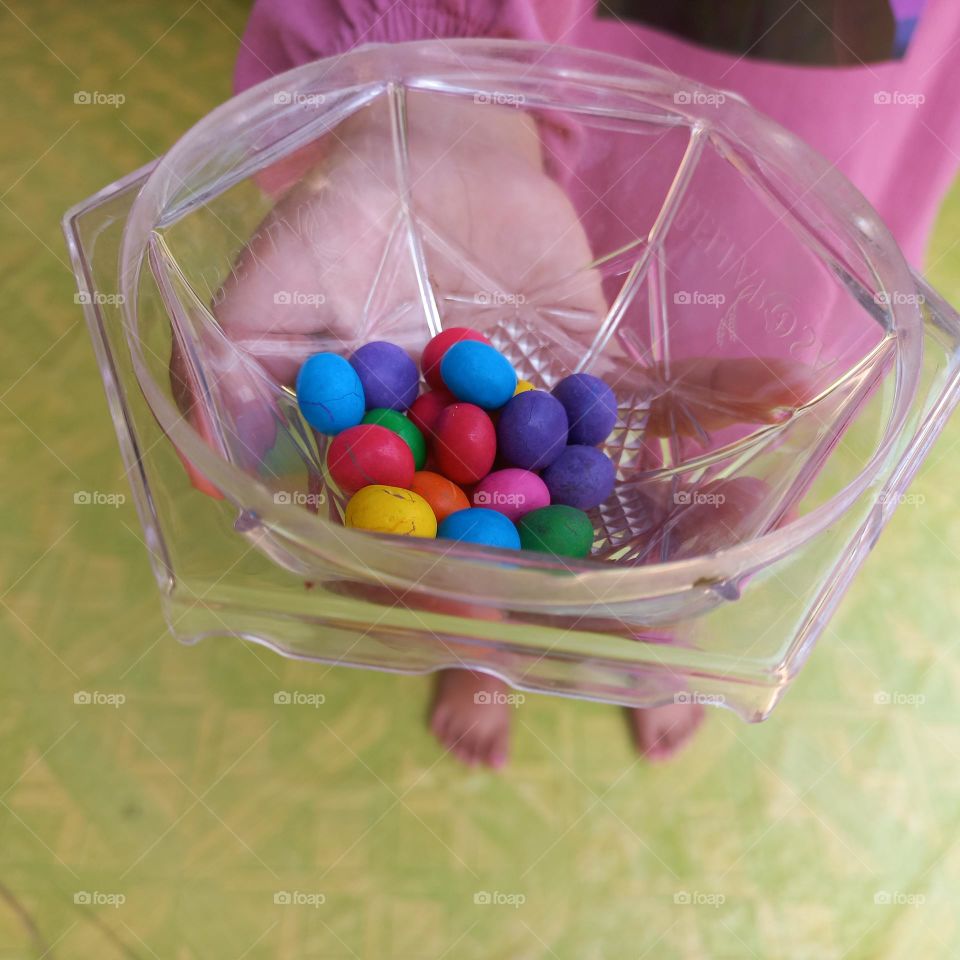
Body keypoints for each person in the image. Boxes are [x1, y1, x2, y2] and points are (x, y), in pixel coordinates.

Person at [183, 0, 960, 769]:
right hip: (547, 77)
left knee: (699, 428)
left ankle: (650, 624)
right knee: (457, 523)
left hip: (834, 96)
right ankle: (473, 635)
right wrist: (448, 113)